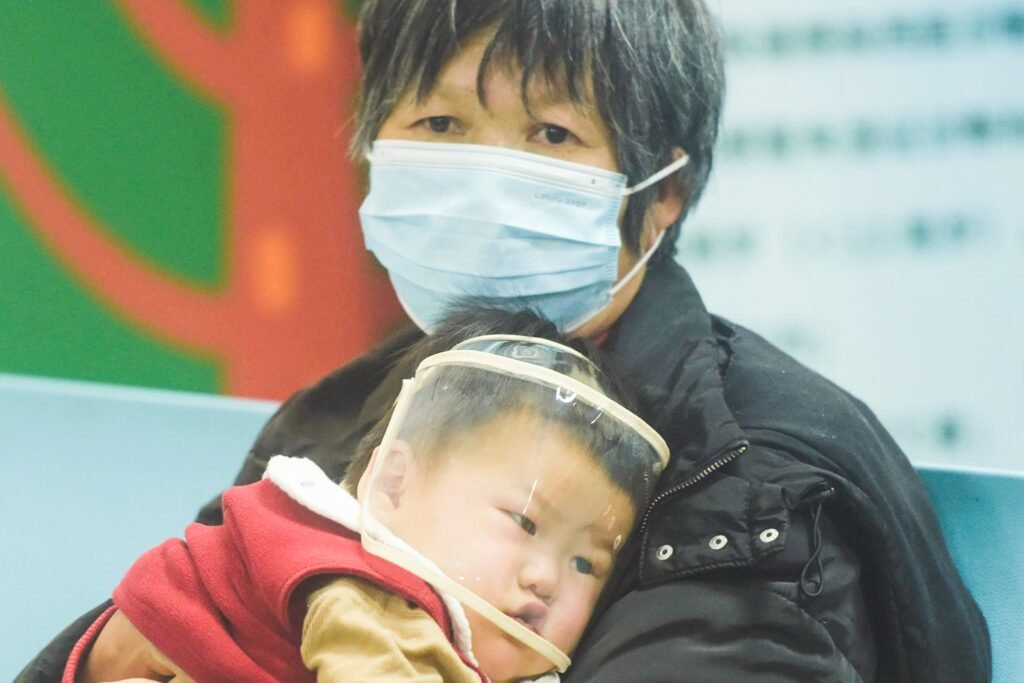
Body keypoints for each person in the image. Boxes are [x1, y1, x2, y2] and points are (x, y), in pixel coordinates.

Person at [18, 1, 990, 682]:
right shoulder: (337, 417)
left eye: (553, 135)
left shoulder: (749, 475)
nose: (485, 171)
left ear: (659, 199)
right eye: (440, 121)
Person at [65, 308, 669, 683]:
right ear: (396, 483)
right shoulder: (365, 586)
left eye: (586, 562)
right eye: (525, 521)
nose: (546, 578)